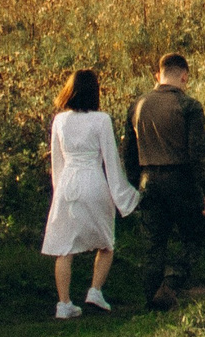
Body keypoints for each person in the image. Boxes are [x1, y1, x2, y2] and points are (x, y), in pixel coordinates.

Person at [43, 68, 136, 319]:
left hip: (68, 184)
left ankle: (64, 303)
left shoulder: (60, 121)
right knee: (106, 241)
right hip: (94, 181)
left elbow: (57, 162)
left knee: (64, 246)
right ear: (95, 92)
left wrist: (58, 192)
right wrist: (125, 195)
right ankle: (95, 290)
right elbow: (110, 159)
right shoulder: (101, 120)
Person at [129, 52, 205, 310]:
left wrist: (134, 185)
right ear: (184, 76)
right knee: (196, 233)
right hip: (180, 179)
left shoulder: (137, 105)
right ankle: (171, 283)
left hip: (148, 180)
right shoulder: (189, 106)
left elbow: (129, 154)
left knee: (153, 243)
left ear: (159, 75)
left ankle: (151, 298)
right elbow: (198, 154)